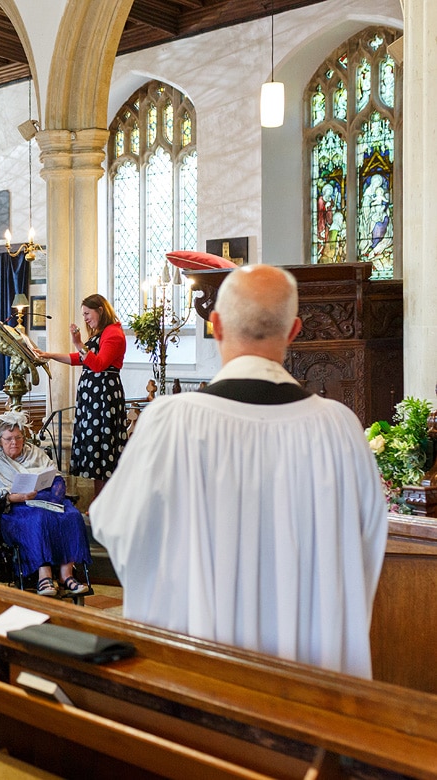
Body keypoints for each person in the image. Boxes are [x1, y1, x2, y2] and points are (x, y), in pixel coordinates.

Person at [90, 264, 388, 678]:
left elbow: (115, 527)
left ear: (215, 325)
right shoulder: (340, 429)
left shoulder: (169, 422)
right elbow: (367, 547)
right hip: (313, 690)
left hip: (200, 682)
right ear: (294, 331)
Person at [0, 412, 92, 597]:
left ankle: (66, 574)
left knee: (72, 515)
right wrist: (17, 497)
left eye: (18, 438)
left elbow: (55, 476)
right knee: (38, 518)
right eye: (8, 439)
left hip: (43, 499)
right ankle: (43, 575)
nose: (14, 442)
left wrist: (49, 493)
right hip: (14, 508)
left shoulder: (35, 453)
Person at [34, 293, 127, 497]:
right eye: (83, 314)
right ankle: (96, 505)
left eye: (87, 313)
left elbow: (98, 364)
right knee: (94, 449)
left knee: (103, 451)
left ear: (100, 310)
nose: (84, 318)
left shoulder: (113, 333)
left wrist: (78, 343)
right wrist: (50, 355)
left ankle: (103, 506)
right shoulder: (101, 333)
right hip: (93, 398)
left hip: (103, 399)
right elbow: (80, 359)